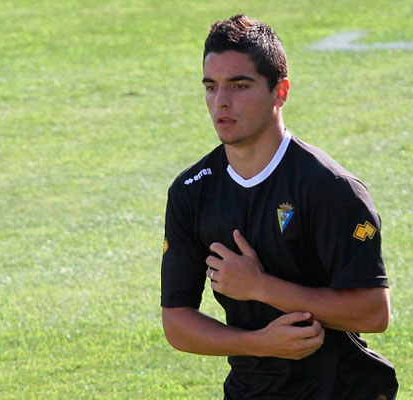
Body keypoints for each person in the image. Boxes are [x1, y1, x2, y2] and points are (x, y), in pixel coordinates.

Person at [160, 14, 398, 400]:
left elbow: (373, 313)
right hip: (249, 391)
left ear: (280, 91)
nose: (221, 101)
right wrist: (259, 343)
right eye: (211, 86)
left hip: (341, 390)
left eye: (240, 85)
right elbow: (177, 322)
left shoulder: (331, 189)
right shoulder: (191, 192)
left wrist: (261, 287)